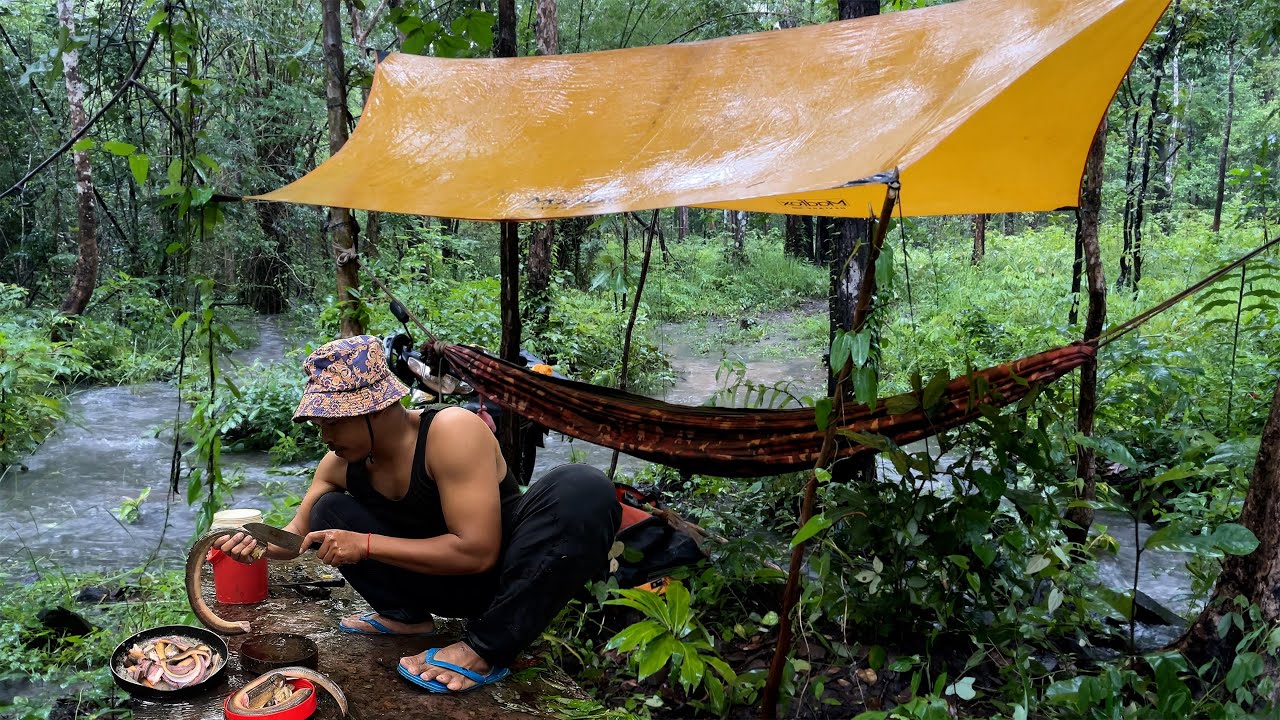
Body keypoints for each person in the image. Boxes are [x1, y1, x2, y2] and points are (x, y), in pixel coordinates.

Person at [214, 335, 621, 693]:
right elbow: (298, 536)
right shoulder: (337, 464)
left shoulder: (451, 431)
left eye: (331, 421)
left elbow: (477, 552)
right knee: (328, 509)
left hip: (502, 581)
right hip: (434, 583)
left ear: (373, 409)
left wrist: (365, 545)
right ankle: (406, 617)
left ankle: (484, 648)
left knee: (583, 488)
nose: (325, 436)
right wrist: (260, 546)